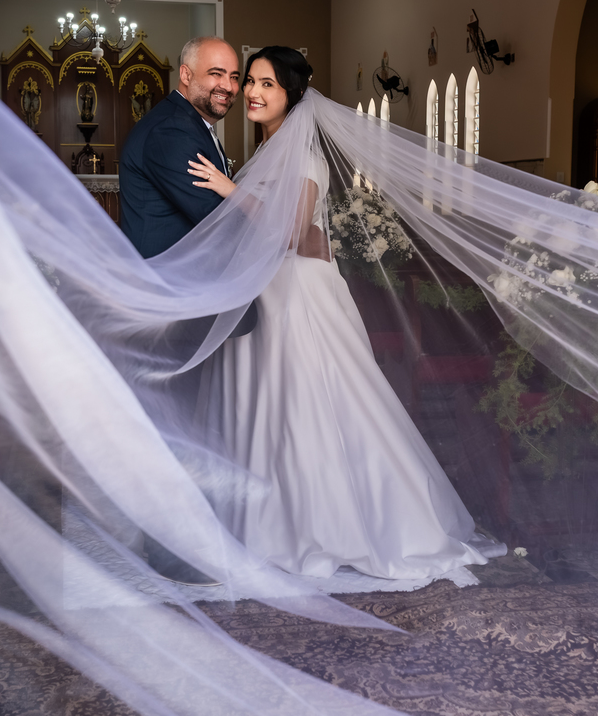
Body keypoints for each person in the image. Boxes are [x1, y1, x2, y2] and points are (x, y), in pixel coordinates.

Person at [188, 46, 487, 580]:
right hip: (269, 294)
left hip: (299, 298)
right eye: (249, 81)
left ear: (291, 97)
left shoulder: (304, 158)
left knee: (313, 407)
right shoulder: (267, 154)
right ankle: (272, 523)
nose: (252, 92)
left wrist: (230, 190)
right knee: (274, 409)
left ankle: (331, 527)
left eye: (266, 84)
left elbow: (293, 232)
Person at [119, 36, 240, 259]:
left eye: (234, 77)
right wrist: (279, 230)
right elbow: (216, 221)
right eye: (216, 73)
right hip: (165, 280)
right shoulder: (172, 130)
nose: (228, 86)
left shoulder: (190, 123)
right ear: (185, 75)